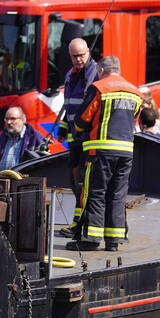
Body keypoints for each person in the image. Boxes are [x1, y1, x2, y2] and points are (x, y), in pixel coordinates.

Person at [69, 55, 141, 251]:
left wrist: (78, 128)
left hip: (100, 151)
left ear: (101, 70)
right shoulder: (136, 92)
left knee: (96, 193)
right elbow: (133, 119)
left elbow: (82, 120)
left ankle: (91, 239)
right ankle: (113, 241)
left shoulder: (99, 88)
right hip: (126, 152)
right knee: (117, 194)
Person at [58, 37, 100, 237]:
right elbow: (70, 107)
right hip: (75, 138)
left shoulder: (96, 74)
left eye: (81, 55)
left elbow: (91, 107)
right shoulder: (70, 75)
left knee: (84, 183)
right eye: (74, 56)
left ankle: (79, 226)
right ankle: (77, 224)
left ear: (88, 52)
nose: (78, 60)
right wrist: (63, 127)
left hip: (88, 138)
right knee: (74, 181)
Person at [0, 107, 43, 172]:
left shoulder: (34, 138)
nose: (8, 122)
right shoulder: (1, 138)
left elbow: (42, 164)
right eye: (6, 119)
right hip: (2, 179)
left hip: (23, 181)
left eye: (13, 119)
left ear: (23, 119)